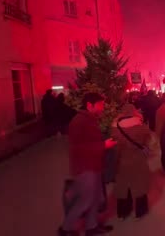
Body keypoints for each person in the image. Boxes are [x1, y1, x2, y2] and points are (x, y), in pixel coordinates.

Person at [59, 93, 116, 236]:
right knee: (85, 200)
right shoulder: (79, 122)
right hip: (85, 168)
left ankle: (92, 226)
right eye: (100, 105)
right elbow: (78, 149)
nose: (103, 108)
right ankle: (66, 228)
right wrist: (103, 145)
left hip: (94, 166)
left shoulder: (89, 120)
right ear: (90, 105)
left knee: (95, 198)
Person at [112, 104, 154, 220]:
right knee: (139, 186)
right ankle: (140, 212)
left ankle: (123, 212)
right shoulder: (141, 126)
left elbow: (115, 147)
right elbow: (148, 141)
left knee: (124, 187)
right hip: (138, 160)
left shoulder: (115, 128)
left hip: (123, 161)